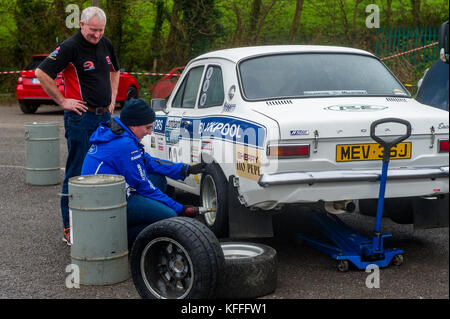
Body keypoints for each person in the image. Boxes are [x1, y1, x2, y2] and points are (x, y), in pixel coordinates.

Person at [35, 6, 120, 245]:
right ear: (82, 24)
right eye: (93, 30)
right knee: (77, 173)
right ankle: (69, 227)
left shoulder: (106, 44)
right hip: (81, 119)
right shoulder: (70, 47)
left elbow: (116, 70)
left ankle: (98, 219)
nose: (96, 35)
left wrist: (113, 98)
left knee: (105, 170)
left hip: (104, 118)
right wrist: (62, 101)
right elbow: (41, 73)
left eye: (100, 30)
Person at [81, 98, 206, 245]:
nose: (149, 132)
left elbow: (150, 162)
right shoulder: (124, 144)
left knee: (158, 179)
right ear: (134, 125)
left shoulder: (119, 133)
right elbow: (144, 187)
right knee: (169, 217)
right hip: (105, 206)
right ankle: (118, 240)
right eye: (147, 128)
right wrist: (179, 208)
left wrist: (186, 169)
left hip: (108, 195)